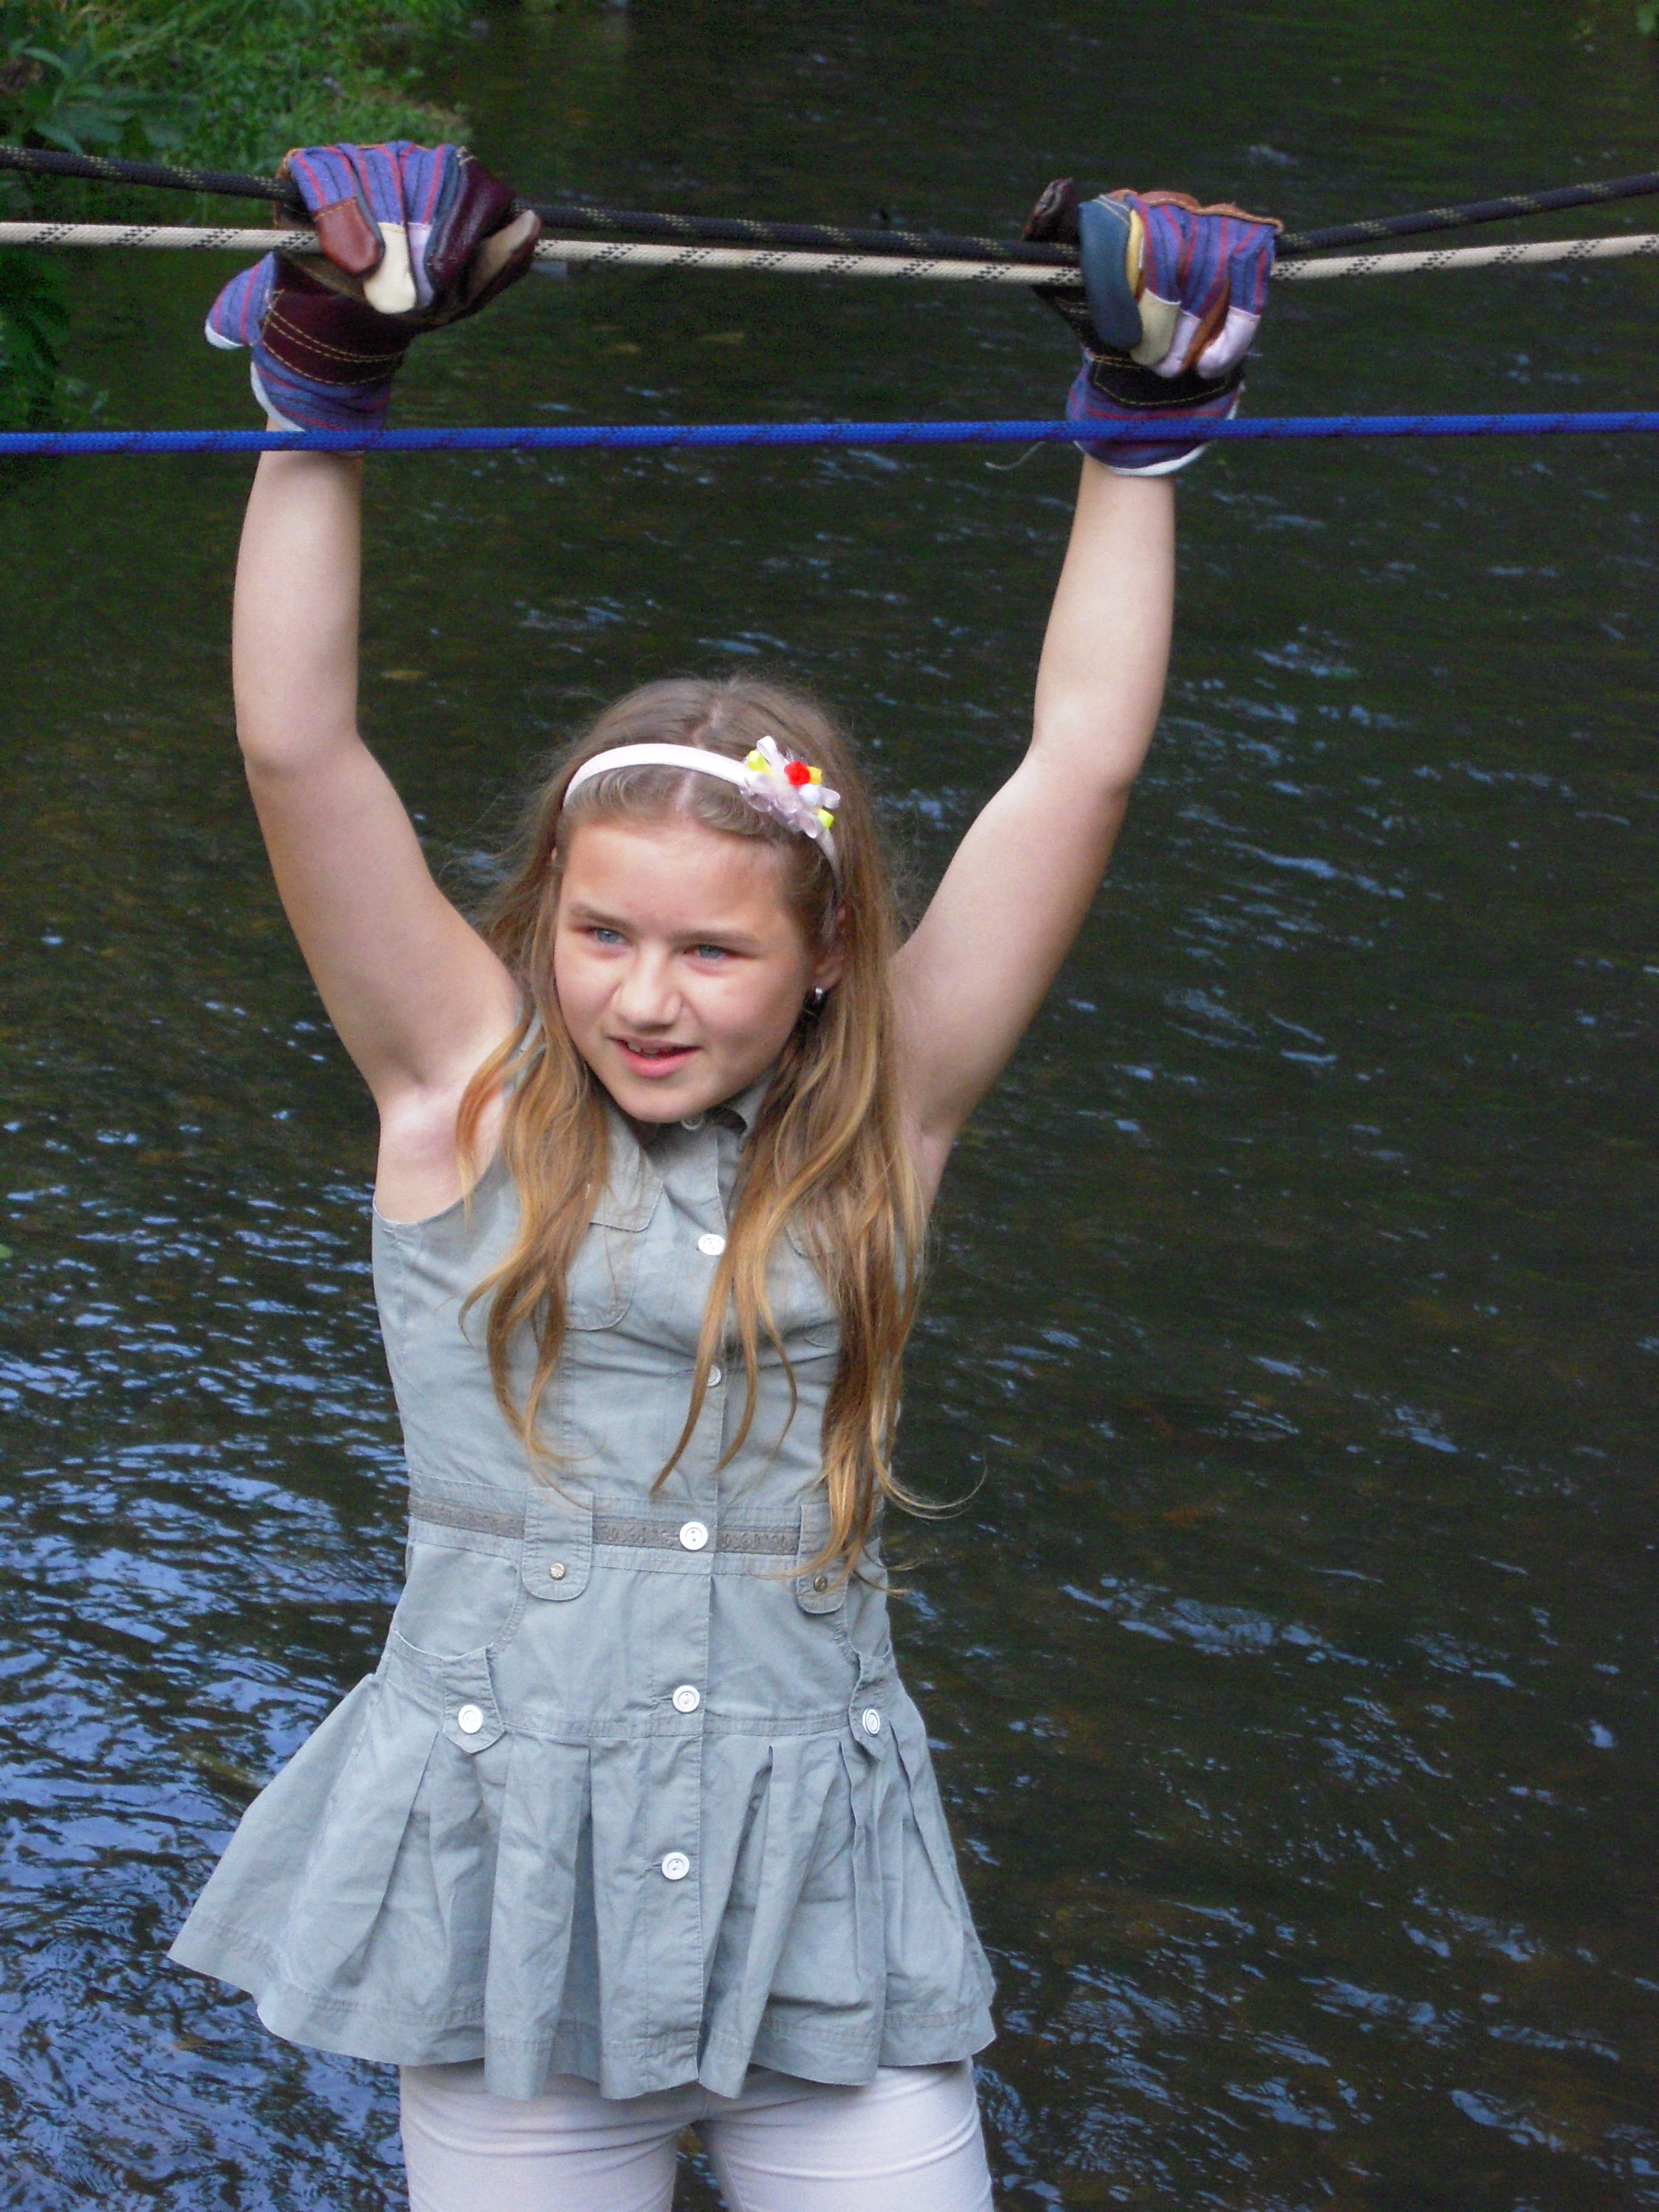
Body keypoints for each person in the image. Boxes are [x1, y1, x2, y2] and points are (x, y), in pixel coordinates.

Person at [167, 142, 1278, 2212]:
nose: (645, 995)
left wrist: (1143, 440)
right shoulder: (457, 1083)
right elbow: (300, 752)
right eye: (601, 933)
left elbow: (1082, 764)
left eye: (715, 950)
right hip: (506, 1911)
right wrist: (326, 391)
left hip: (829, 1912)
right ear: (543, 921)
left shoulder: (888, 1114)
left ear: (828, 952)